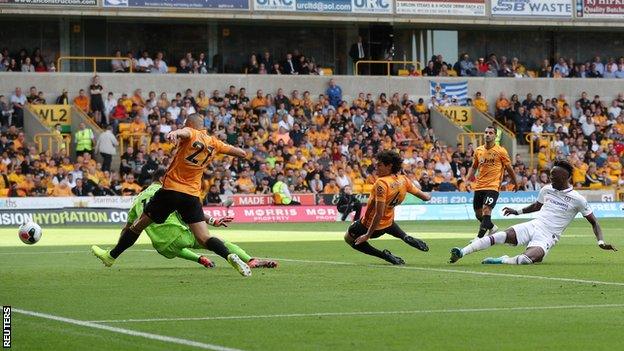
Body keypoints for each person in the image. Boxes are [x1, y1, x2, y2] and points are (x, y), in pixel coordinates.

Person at [91, 113, 252, 276]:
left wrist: (174, 133)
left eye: (185, 124)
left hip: (171, 190)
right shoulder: (214, 143)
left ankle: (110, 256)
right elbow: (241, 153)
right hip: (191, 195)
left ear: (190, 124)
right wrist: (237, 151)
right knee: (204, 237)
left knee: (138, 226)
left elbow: (185, 132)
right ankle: (229, 255)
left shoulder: (190, 132)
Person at [92, 168, 277, 269]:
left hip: (162, 246)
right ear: (164, 179)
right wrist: (212, 221)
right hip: (179, 234)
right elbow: (188, 212)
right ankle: (249, 259)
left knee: (172, 246)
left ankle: (199, 259)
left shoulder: (137, 200)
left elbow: (128, 228)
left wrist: (117, 247)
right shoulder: (166, 193)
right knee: (214, 241)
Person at [450, 160, 616, 265]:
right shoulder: (547, 190)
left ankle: (504, 260)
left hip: (549, 235)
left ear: (565, 178)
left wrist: (600, 242)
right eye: (550, 177)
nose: (550, 180)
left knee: (525, 260)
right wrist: (517, 211)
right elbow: (537, 206)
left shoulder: (578, 199)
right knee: (500, 236)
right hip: (534, 224)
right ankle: (462, 252)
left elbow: (594, 222)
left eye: (553, 177)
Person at [344, 151, 431, 265]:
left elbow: (378, 214)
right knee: (387, 221)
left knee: (348, 239)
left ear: (389, 166)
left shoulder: (382, 183)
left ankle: (384, 255)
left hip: (370, 226)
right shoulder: (403, 180)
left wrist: (367, 235)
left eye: (379, 165)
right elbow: (425, 197)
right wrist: (430, 194)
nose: (376, 168)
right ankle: (405, 237)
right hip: (389, 223)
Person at [466, 126, 517, 239]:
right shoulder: (478, 150)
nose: (488, 134)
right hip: (479, 186)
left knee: (486, 209)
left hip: (493, 186)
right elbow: (474, 167)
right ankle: (492, 227)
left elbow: (509, 168)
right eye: (486, 132)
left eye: (490, 133)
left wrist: (515, 182)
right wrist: (467, 180)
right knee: (478, 213)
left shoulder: (501, 151)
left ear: (495, 136)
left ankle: (479, 238)